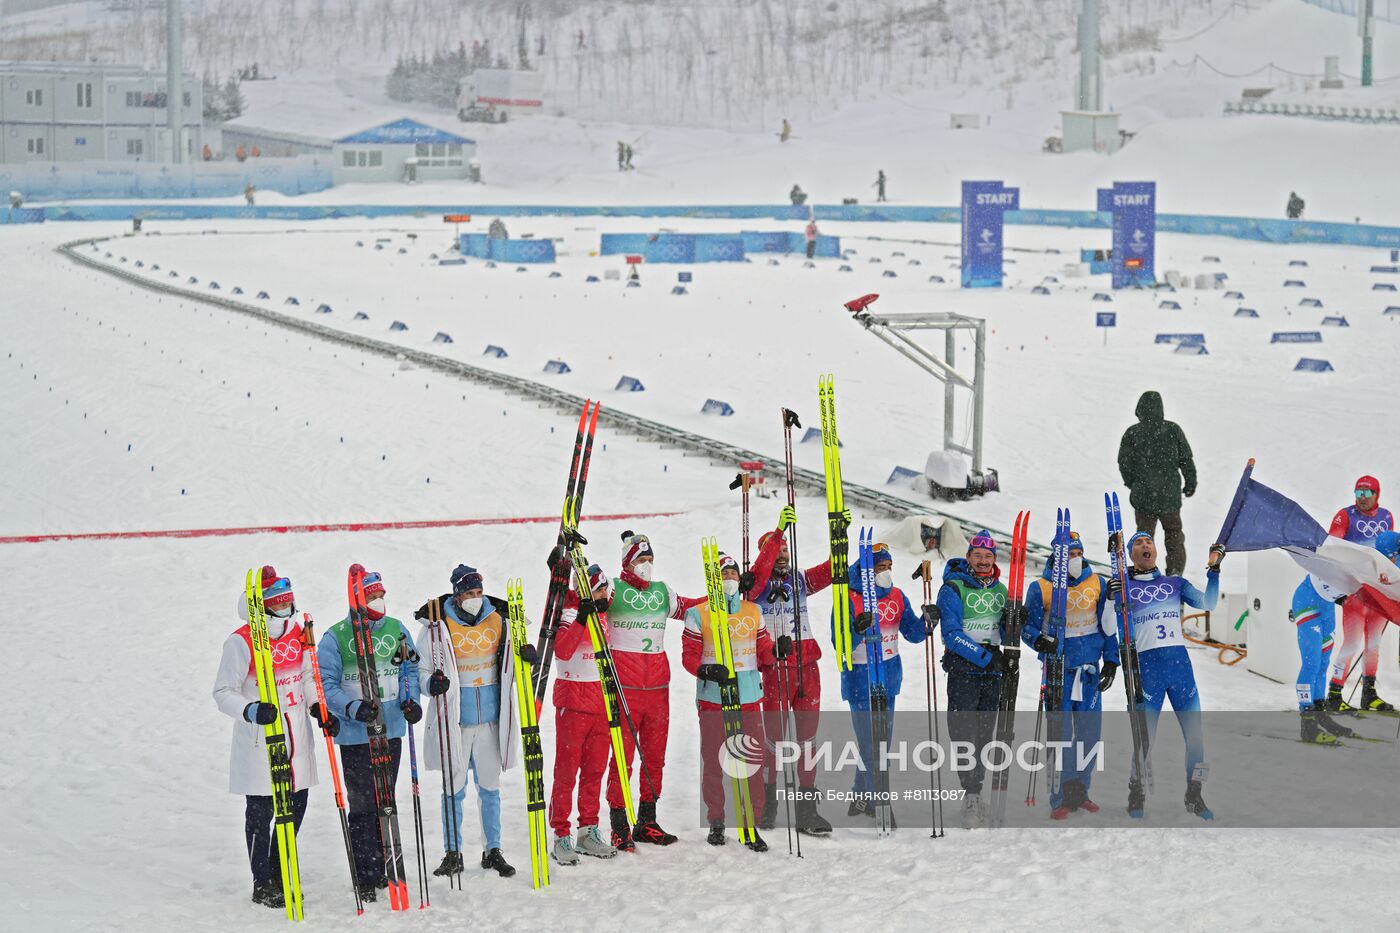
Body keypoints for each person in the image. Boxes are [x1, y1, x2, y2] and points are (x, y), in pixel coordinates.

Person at [212, 566, 324, 908]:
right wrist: (250, 709)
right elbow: (222, 691)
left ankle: (279, 868)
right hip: (262, 739)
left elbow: (307, 674)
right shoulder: (240, 641)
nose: (285, 610)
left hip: (296, 734)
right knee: (261, 811)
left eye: (288, 602)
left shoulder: (297, 633)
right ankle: (262, 881)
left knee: (297, 803)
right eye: (277, 603)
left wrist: (317, 704)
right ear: (262, 606)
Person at [317, 565, 422, 902]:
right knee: (363, 804)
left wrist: (411, 700)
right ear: (358, 599)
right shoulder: (336, 637)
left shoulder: (396, 629)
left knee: (385, 801)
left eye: (381, 595)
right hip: (355, 735)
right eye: (372, 596)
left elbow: (409, 668)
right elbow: (327, 686)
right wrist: (352, 708)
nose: (380, 601)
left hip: (390, 730)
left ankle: (386, 864)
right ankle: (365, 873)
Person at [415, 564, 523, 880]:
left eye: (479, 592)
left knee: (490, 788)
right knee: (454, 789)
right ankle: (453, 852)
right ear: (457, 595)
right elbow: (421, 672)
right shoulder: (437, 626)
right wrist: (430, 685)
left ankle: (493, 850)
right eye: (469, 593)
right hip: (457, 722)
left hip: (491, 719)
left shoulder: (498, 619)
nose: (475, 598)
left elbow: (514, 659)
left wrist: (525, 655)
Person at [1107, 532, 1221, 820]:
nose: (1145, 546)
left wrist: (1214, 570)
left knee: (1197, 741)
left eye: (1149, 542)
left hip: (1181, 671)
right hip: (1148, 672)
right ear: (1130, 555)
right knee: (1144, 741)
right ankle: (1137, 792)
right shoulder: (1125, 587)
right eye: (1138, 543)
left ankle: (1195, 794)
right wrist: (1111, 598)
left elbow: (1209, 603)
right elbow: (1110, 627)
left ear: (1156, 550)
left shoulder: (1174, 583)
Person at [604, 532, 705, 849]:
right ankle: (619, 823)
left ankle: (647, 820)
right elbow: (583, 598)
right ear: (627, 562)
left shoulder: (662, 593)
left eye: (649, 560)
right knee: (623, 758)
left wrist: (720, 596)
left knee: (654, 758)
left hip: (658, 687)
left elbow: (689, 608)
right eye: (640, 560)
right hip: (625, 687)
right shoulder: (613, 589)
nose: (646, 565)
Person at [747, 506, 834, 835]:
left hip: (807, 668)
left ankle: (807, 810)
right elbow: (756, 580)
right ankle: (768, 802)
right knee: (774, 741)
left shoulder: (798, 579)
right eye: (776, 550)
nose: (782, 554)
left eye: (785, 549)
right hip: (774, 668)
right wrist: (778, 530)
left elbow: (829, 572)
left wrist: (839, 541)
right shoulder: (754, 585)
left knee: (808, 741)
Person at [682, 551, 775, 849]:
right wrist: (706, 669)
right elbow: (689, 657)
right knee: (714, 761)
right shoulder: (699, 613)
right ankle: (717, 820)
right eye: (724, 575)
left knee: (750, 761)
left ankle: (751, 824)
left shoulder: (752, 612)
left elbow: (764, 652)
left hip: (747, 696)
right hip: (713, 698)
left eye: (734, 574)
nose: (730, 580)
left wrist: (778, 651)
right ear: (714, 581)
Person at [1021, 533, 1119, 818]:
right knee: (1060, 735)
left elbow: (1109, 627)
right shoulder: (1041, 587)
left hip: (1089, 671)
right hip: (1057, 671)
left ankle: (1081, 790)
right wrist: (1037, 641)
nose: (1074, 559)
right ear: (1056, 556)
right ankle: (1060, 796)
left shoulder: (1098, 583)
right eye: (1068, 554)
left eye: (1077, 553)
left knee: (1088, 735)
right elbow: (1029, 627)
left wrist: (1111, 662)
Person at [840, 541, 926, 819]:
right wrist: (856, 629)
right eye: (880, 568)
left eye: (889, 567)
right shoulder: (848, 599)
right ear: (867, 571)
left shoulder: (898, 596)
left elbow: (913, 632)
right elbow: (839, 642)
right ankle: (879, 801)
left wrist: (928, 621)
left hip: (888, 677)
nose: (886, 573)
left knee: (881, 743)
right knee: (870, 743)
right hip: (860, 679)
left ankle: (860, 797)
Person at [937, 530, 1012, 829]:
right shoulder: (952, 588)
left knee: (984, 735)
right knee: (963, 735)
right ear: (968, 557)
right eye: (977, 555)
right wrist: (984, 656)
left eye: (988, 556)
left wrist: (1014, 625)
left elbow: (1005, 633)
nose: (983, 561)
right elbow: (951, 634)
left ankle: (977, 791)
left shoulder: (1001, 590)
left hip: (992, 673)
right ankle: (970, 794)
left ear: (994, 559)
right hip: (964, 670)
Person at [548, 564, 620, 863]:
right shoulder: (568, 615)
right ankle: (561, 835)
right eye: (597, 589)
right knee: (566, 773)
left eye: (605, 588)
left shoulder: (605, 614)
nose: (603, 594)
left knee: (595, 771)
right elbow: (562, 651)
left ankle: (587, 830)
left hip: (600, 703)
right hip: (573, 703)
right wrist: (580, 616)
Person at [1326, 477, 1396, 712]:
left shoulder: (1386, 516)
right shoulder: (1345, 515)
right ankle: (1334, 695)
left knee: (1374, 643)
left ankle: (1369, 694)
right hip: (1356, 591)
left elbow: (1390, 554)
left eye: (1367, 492)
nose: (1362, 497)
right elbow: (1331, 548)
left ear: (1377, 494)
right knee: (1352, 643)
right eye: (1358, 491)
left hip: (1380, 591)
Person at [1117, 390, 1197, 576]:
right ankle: (1175, 573)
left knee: (1144, 538)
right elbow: (1186, 459)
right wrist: (1190, 481)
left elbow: (1124, 463)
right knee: (1174, 536)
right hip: (1169, 497)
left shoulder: (1133, 433)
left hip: (1144, 497)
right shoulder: (1172, 430)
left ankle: (1145, 572)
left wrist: (1133, 483)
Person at [1290, 574, 1356, 744]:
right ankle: (1308, 725)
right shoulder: (1377, 549)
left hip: (1327, 606)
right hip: (1308, 601)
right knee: (1311, 663)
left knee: (1322, 664)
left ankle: (1320, 716)